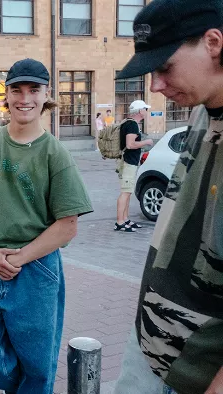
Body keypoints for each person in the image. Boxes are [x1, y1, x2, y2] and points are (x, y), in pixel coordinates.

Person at [0, 58, 93, 394]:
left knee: (36, 365)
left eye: (34, 89)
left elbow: (67, 226)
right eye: (17, 89)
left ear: (46, 95)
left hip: (36, 270)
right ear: (7, 95)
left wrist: (17, 259)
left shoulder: (55, 154)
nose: (25, 98)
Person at [112, 0, 223, 393]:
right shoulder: (202, 109)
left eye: (165, 67)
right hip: (150, 341)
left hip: (204, 371)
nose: (156, 85)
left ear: (213, 42)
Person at [115, 100, 154, 232]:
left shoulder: (128, 122)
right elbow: (130, 144)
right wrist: (145, 142)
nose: (146, 112)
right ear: (140, 111)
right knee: (125, 192)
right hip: (128, 162)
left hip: (126, 161)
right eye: (145, 109)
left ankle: (125, 219)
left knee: (128, 191)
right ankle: (120, 222)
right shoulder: (132, 125)